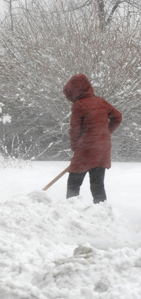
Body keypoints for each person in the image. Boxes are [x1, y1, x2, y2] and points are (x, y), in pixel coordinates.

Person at [62, 73, 122, 203]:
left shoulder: (79, 105)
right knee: (97, 183)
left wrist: (75, 146)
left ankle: (70, 209)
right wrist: (105, 133)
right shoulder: (101, 102)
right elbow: (117, 117)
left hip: (86, 148)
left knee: (74, 182)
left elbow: (75, 130)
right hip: (103, 148)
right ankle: (102, 210)